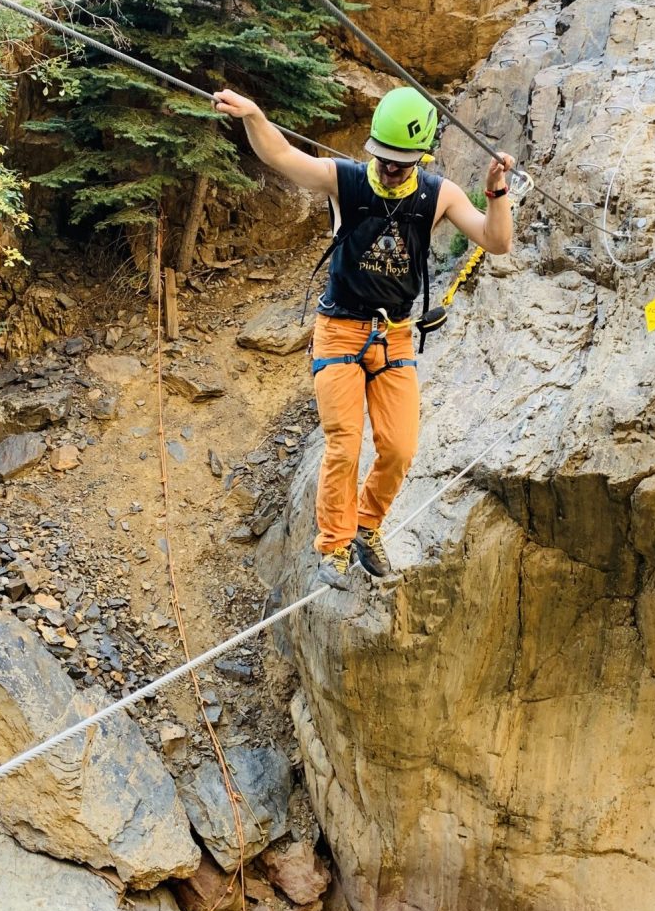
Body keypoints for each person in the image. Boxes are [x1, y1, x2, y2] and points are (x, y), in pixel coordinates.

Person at [213, 84, 514, 585]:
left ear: (422, 157)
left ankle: (366, 527)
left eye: (399, 164)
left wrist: (497, 191)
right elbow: (283, 156)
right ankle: (332, 546)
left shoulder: (438, 195)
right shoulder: (348, 181)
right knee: (344, 444)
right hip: (339, 331)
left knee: (399, 449)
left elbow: (496, 241)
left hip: (394, 335)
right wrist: (254, 115)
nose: (388, 169)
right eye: (382, 159)